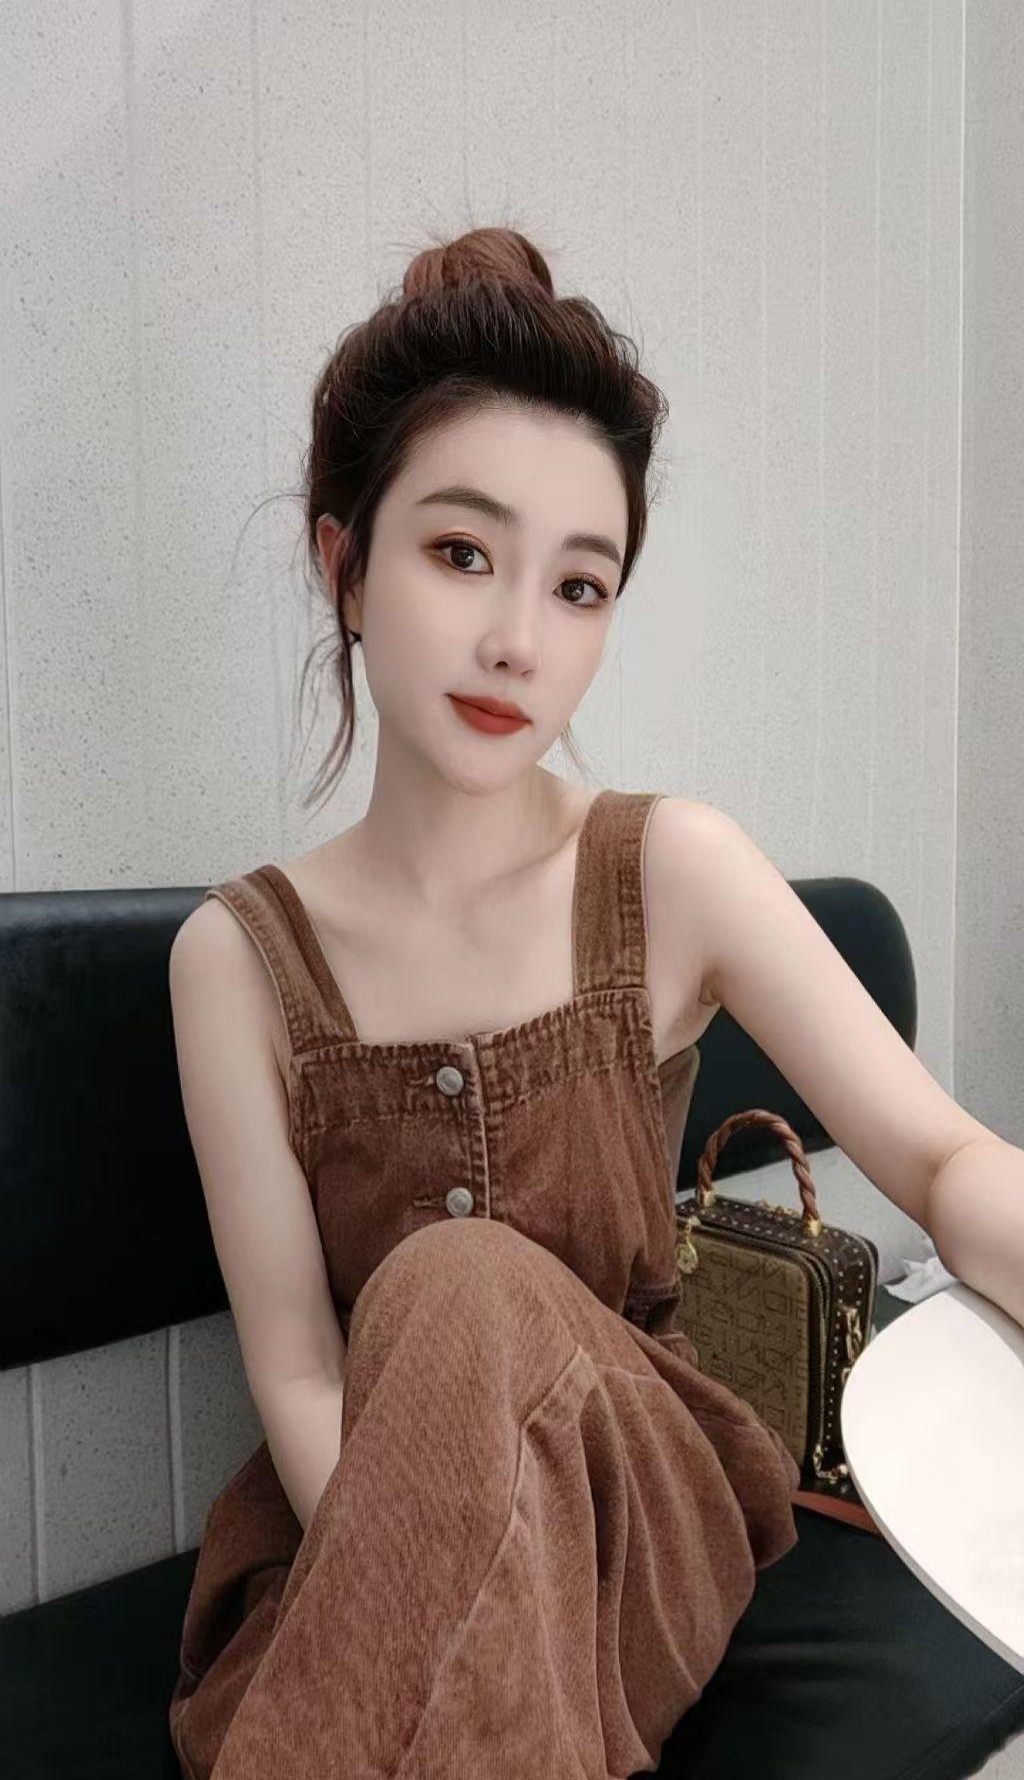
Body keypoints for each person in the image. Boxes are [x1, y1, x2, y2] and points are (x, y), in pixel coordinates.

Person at [166, 226, 800, 1780]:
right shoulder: (236, 962)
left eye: (579, 586)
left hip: (635, 1521)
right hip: (345, 1509)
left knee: (456, 1280)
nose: (520, 640)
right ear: (344, 568)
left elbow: (941, 1160)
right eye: (461, 554)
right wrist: (433, 1584)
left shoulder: (671, 871)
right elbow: (299, 1373)